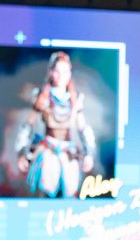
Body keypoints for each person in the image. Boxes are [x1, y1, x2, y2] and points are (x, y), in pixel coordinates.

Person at [16, 51, 96, 198]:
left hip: (68, 153)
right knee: (47, 186)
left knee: (70, 190)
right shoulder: (42, 96)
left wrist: (89, 154)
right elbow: (28, 125)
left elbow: (82, 128)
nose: (61, 76)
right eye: (57, 71)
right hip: (48, 150)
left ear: (69, 73)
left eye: (65, 71)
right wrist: (22, 153)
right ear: (51, 72)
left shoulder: (75, 98)